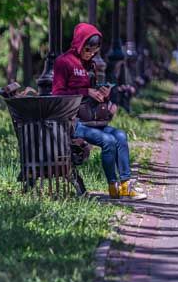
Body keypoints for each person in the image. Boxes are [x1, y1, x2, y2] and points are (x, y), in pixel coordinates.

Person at [53, 23, 147, 201]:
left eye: (94, 51)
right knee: (107, 141)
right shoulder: (63, 62)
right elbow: (57, 94)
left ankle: (125, 185)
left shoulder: (90, 65)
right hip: (72, 122)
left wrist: (102, 94)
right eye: (88, 49)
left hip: (91, 119)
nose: (91, 54)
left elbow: (92, 92)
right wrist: (85, 92)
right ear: (79, 44)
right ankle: (113, 185)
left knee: (120, 135)